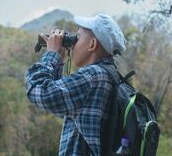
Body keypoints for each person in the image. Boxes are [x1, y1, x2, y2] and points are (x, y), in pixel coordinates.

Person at [25, 13, 126, 156]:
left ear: (92, 44)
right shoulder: (110, 76)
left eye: (76, 38)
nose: (72, 45)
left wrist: (51, 54)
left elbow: (38, 90)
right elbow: (60, 105)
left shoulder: (93, 76)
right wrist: (58, 61)